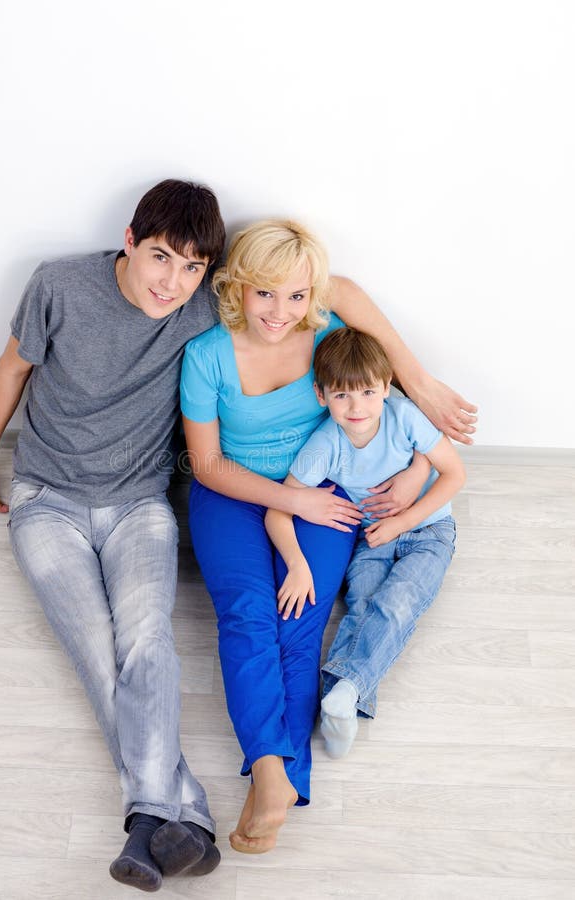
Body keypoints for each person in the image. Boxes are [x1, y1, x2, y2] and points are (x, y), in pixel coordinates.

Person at [0, 179, 227, 893]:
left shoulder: (201, 303)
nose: (172, 282)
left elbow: (330, 289)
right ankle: (181, 816)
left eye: (192, 267)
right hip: (45, 502)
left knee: (145, 641)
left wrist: (414, 375)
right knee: (98, 653)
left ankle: (149, 823)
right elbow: (13, 367)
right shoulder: (60, 285)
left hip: (139, 503)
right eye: (160, 257)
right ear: (129, 242)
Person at [180, 219, 475, 855]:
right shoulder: (207, 354)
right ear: (239, 287)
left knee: (303, 620)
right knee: (246, 615)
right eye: (264, 293)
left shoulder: (331, 334)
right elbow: (205, 463)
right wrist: (292, 500)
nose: (280, 312)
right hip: (234, 492)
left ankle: (283, 784)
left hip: (325, 496)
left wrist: (419, 466)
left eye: (294, 295)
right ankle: (269, 770)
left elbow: (390, 398)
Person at [265, 326, 465, 761]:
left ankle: (347, 689)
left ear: (386, 387)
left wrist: (404, 521)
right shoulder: (325, 445)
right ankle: (344, 703)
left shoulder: (404, 414)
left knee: (397, 602)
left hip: (429, 530)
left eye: (368, 393)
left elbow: (456, 474)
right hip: (372, 539)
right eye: (342, 396)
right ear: (322, 396)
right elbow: (277, 508)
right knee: (362, 606)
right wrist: (297, 565)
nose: (357, 408)